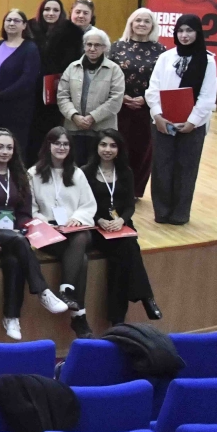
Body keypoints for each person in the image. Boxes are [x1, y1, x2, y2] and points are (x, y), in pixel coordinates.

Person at [0, 127, 69, 341]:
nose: (5, 152)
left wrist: (27, 228)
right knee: (19, 242)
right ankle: (43, 291)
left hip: (14, 234)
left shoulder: (20, 176)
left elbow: (24, 213)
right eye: (0, 147)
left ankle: (11, 317)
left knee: (13, 261)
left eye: (9, 148)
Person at [146, 13, 217, 225]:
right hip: (163, 122)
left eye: (189, 31)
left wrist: (192, 122)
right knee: (162, 167)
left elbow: (207, 97)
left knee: (186, 168)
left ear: (198, 33)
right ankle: (161, 211)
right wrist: (158, 115)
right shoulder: (165, 58)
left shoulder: (207, 60)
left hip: (192, 126)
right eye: (180, 31)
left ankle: (180, 213)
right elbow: (153, 89)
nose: (184, 35)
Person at [84, 129, 161, 325]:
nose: (107, 149)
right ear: (96, 147)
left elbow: (129, 205)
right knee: (128, 249)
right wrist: (99, 220)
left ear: (119, 149)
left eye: (113, 145)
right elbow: (82, 204)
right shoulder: (85, 172)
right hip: (96, 227)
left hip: (120, 225)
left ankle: (117, 319)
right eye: (103, 145)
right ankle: (146, 297)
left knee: (122, 256)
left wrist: (121, 221)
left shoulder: (126, 172)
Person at [28, 127, 98, 337]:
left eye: (65, 144)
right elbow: (30, 209)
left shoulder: (77, 173)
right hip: (48, 233)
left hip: (73, 230)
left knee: (82, 235)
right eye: (57, 143)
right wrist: (44, 222)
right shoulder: (33, 174)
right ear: (48, 145)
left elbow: (88, 205)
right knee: (81, 259)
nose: (61, 147)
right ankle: (79, 316)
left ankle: (66, 290)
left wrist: (77, 218)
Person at [111, 8, 166, 198]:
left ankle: (134, 191)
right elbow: (108, 76)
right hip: (120, 106)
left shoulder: (161, 51)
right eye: (138, 20)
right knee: (117, 147)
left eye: (146, 21)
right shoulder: (117, 47)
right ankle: (115, 186)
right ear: (131, 23)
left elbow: (164, 80)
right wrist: (121, 96)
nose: (142, 24)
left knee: (142, 150)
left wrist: (146, 98)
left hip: (146, 108)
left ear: (152, 26)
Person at [57, 27, 125, 166]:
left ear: (104, 48)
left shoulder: (114, 70)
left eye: (97, 45)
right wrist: (74, 116)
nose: (92, 48)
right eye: (89, 44)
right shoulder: (72, 68)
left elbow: (115, 100)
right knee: (73, 169)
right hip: (73, 128)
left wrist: (92, 117)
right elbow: (62, 96)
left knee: (97, 169)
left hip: (102, 131)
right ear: (84, 46)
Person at [28, 0, 81, 159]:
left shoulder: (72, 32)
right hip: (31, 90)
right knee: (30, 135)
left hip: (57, 90)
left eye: (55, 10)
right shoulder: (29, 28)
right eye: (47, 9)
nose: (50, 13)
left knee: (52, 132)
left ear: (61, 12)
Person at [0, 9, 41, 148]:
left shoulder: (30, 48)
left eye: (16, 20)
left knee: (13, 149)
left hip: (15, 111)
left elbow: (27, 80)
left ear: (24, 25)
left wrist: (0, 95)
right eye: (8, 20)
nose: (12, 23)